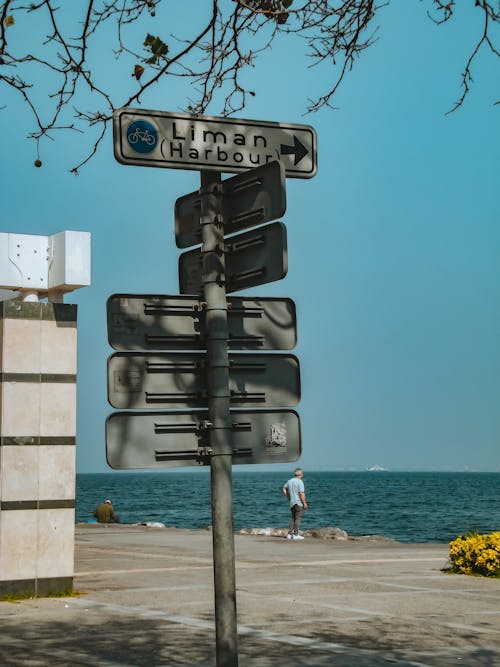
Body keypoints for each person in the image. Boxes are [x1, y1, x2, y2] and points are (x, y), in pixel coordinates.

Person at [282, 468, 308, 540]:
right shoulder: (300, 482)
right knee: (298, 519)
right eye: (302, 473)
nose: (303, 475)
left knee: (293, 518)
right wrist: (304, 503)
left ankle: (289, 534)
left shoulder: (290, 481)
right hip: (298, 502)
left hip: (292, 502)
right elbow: (301, 493)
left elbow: (284, 488)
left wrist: (288, 496)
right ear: (300, 474)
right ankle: (296, 534)